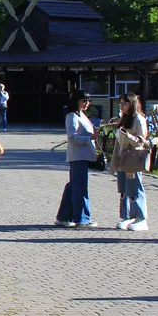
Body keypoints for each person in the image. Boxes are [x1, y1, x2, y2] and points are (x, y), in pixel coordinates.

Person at [55, 89, 97, 228]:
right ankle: (83, 219)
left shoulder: (82, 115)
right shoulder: (72, 116)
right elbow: (72, 138)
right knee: (80, 187)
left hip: (84, 155)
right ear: (77, 100)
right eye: (84, 100)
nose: (87, 103)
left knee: (74, 186)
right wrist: (89, 138)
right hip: (78, 155)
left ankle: (64, 216)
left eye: (89, 101)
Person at [112, 93, 149, 231]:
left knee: (135, 187)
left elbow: (141, 140)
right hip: (122, 157)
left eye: (125, 103)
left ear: (132, 104)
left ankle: (141, 216)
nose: (121, 106)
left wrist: (128, 136)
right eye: (121, 103)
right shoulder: (124, 118)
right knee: (124, 188)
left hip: (133, 158)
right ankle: (127, 216)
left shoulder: (139, 120)